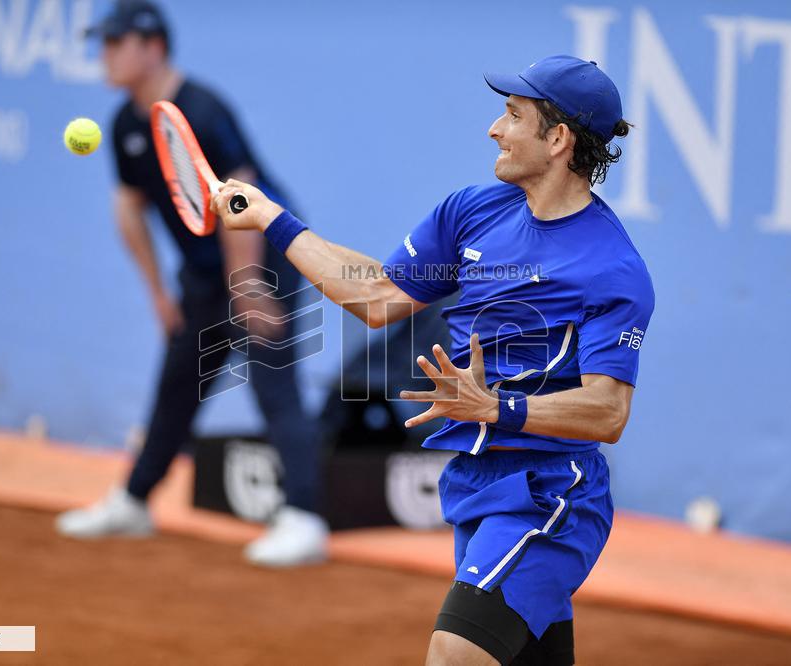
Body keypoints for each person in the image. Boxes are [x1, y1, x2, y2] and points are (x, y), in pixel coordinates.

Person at [208, 56, 654, 665]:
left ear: (557, 139)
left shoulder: (611, 268)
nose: (494, 129)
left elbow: (607, 412)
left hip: (550, 498)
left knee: (453, 654)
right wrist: (272, 221)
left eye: (513, 115)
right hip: (475, 487)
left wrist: (497, 407)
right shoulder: (473, 211)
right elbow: (378, 296)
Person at [55, 0, 328, 568]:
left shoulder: (202, 110)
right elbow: (130, 208)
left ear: (151, 46)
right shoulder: (126, 123)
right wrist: (158, 292)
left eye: (114, 42)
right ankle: (133, 502)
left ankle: (304, 518)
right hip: (204, 276)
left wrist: (248, 285)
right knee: (177, 384)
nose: (103, 54)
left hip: (263, 260)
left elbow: (241, 198)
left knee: (274, 388)